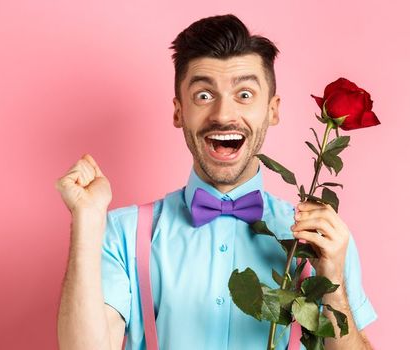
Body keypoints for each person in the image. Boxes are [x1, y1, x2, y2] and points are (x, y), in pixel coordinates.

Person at [55, 14, 376, 350]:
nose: (223, 115)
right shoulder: (122, 234)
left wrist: (333, 285)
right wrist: (87, 221)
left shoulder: (317, 238)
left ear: (273, 110)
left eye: (245, 94)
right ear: (179, 112)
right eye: (204, 96)